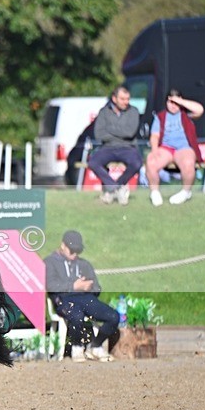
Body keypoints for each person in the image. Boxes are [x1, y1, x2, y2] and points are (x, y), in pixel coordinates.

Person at [45, 230, 119, 362]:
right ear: (63, 245)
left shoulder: (84, 264)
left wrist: (89, 287)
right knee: (76, 315)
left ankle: (95, 345)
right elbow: (51, 286)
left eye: (77, 251)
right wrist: (74, 286)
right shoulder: (50, 262)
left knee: (113, 316)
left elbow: (97, 287)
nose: (74, 254)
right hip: (63, 300)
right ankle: (77, 347)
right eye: (71, 250)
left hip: (86, 298)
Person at [145, 89, 204, 206]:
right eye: (170, 102)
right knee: (151, 160)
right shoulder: (160, 117)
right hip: (166, 148)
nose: (173, 105)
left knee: (188, 163)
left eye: (176, 103)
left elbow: (200, 109)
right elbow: (154, 136)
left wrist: (180, 101)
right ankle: (155, 192)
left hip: (183, 147)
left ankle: (185, 192)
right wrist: (155, 150)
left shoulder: (186, 114)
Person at [90, 86, 142, 205]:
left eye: (128, 99)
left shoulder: (133, 111)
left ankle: (115, 187)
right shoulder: (104, 112)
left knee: (137, 163)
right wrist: (120, 133)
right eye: (123, 99)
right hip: (108, 147)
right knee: (93, 162)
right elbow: (99, 134)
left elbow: (130, 132)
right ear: (114, 98)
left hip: (128, 147)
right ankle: (115, 188)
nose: (126, 102)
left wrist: (109, 129)